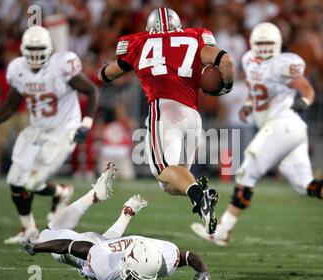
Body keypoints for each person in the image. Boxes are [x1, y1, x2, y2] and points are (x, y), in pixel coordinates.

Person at [192, 22, 323, 246]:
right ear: (253, 44)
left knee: (247, 171)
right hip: (283, 129)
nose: (264, 48)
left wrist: (305, 101)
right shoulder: (248, 59)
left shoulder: (285, 63)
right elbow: (257, 90)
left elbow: (306, 88)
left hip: (283, 125)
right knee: (303, 184)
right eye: (260, 43)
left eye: (269, 44)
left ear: (277, 44)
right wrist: (248, 105)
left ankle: (223, 230)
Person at [97, 7, 235, 235]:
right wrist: (226, 87)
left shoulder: (138, 42)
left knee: (163, 170)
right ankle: (200, 193)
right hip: (192, 116)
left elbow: (106, 75)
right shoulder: (196, 36)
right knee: (171, 185)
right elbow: (227, 61)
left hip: (165, 111)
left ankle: (199, 197)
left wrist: (102, 69)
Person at [22, 162, 211, 280]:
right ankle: (94, 196)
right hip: (90, 252)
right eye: (138, 278)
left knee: (103, 242)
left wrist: (202, 271)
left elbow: (190, 257)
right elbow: (68, 245)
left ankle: (125, 211)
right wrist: (37, 247)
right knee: (48, 232)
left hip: (110, 246)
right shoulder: (102, 263)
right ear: (127, 262)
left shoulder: (163, 258)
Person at [0, 26, 100, 244]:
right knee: (15, 180)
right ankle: (29, 228)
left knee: (32, 182)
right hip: (36, 130)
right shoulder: (18, 70)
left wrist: (86, 124)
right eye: (30, 50)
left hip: (64, 131)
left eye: (39, 49)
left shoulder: (60, 66)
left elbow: (92, 91)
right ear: (23, 50)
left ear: (49, 49)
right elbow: (11, 105)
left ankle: (60, 192)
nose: (34, 55)